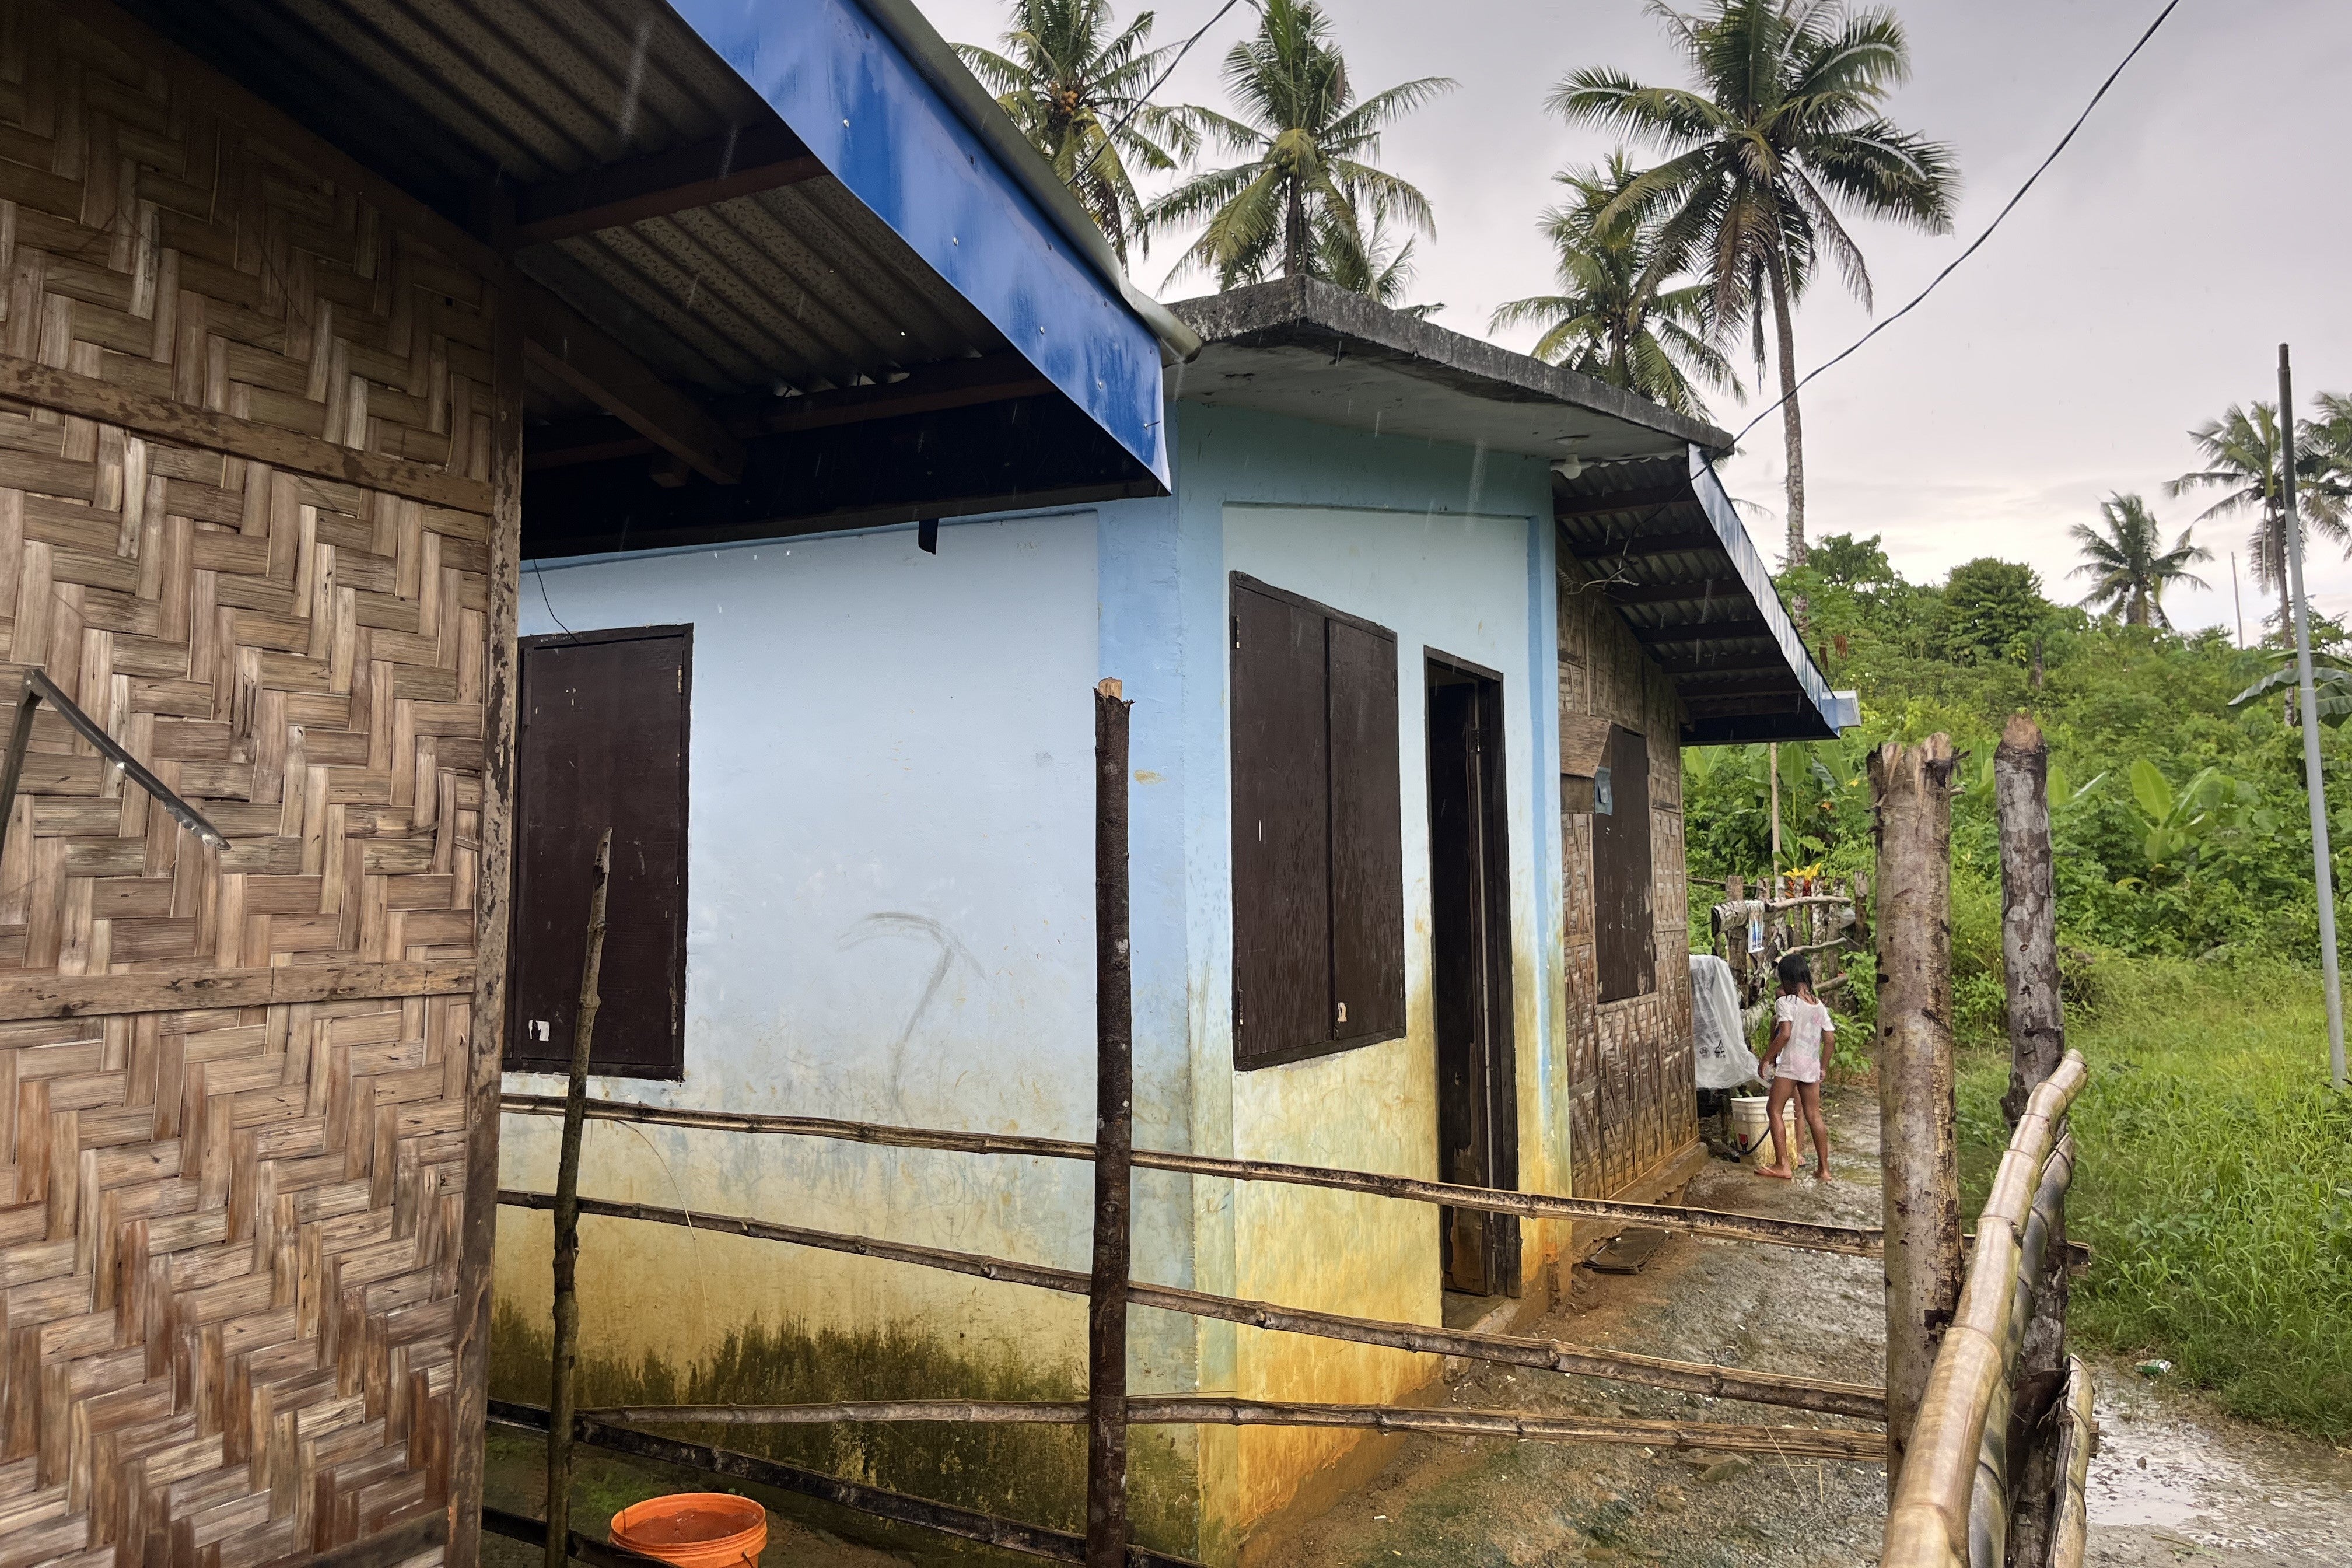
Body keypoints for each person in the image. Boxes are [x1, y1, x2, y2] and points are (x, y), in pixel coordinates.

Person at [1756, 951, 1833, 1182]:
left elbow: (1785, 1034)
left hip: (1791, 1065)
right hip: (1810, 1066)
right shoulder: (1818, 1006)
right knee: (1814, 1116)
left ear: (1786, 978)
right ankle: (1824, 1169)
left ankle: (1783, 1165)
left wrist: (1767, 1058)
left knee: (1774, 1110)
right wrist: (1824, 1067)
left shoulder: (1785, 1002)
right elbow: (1830, 1039)